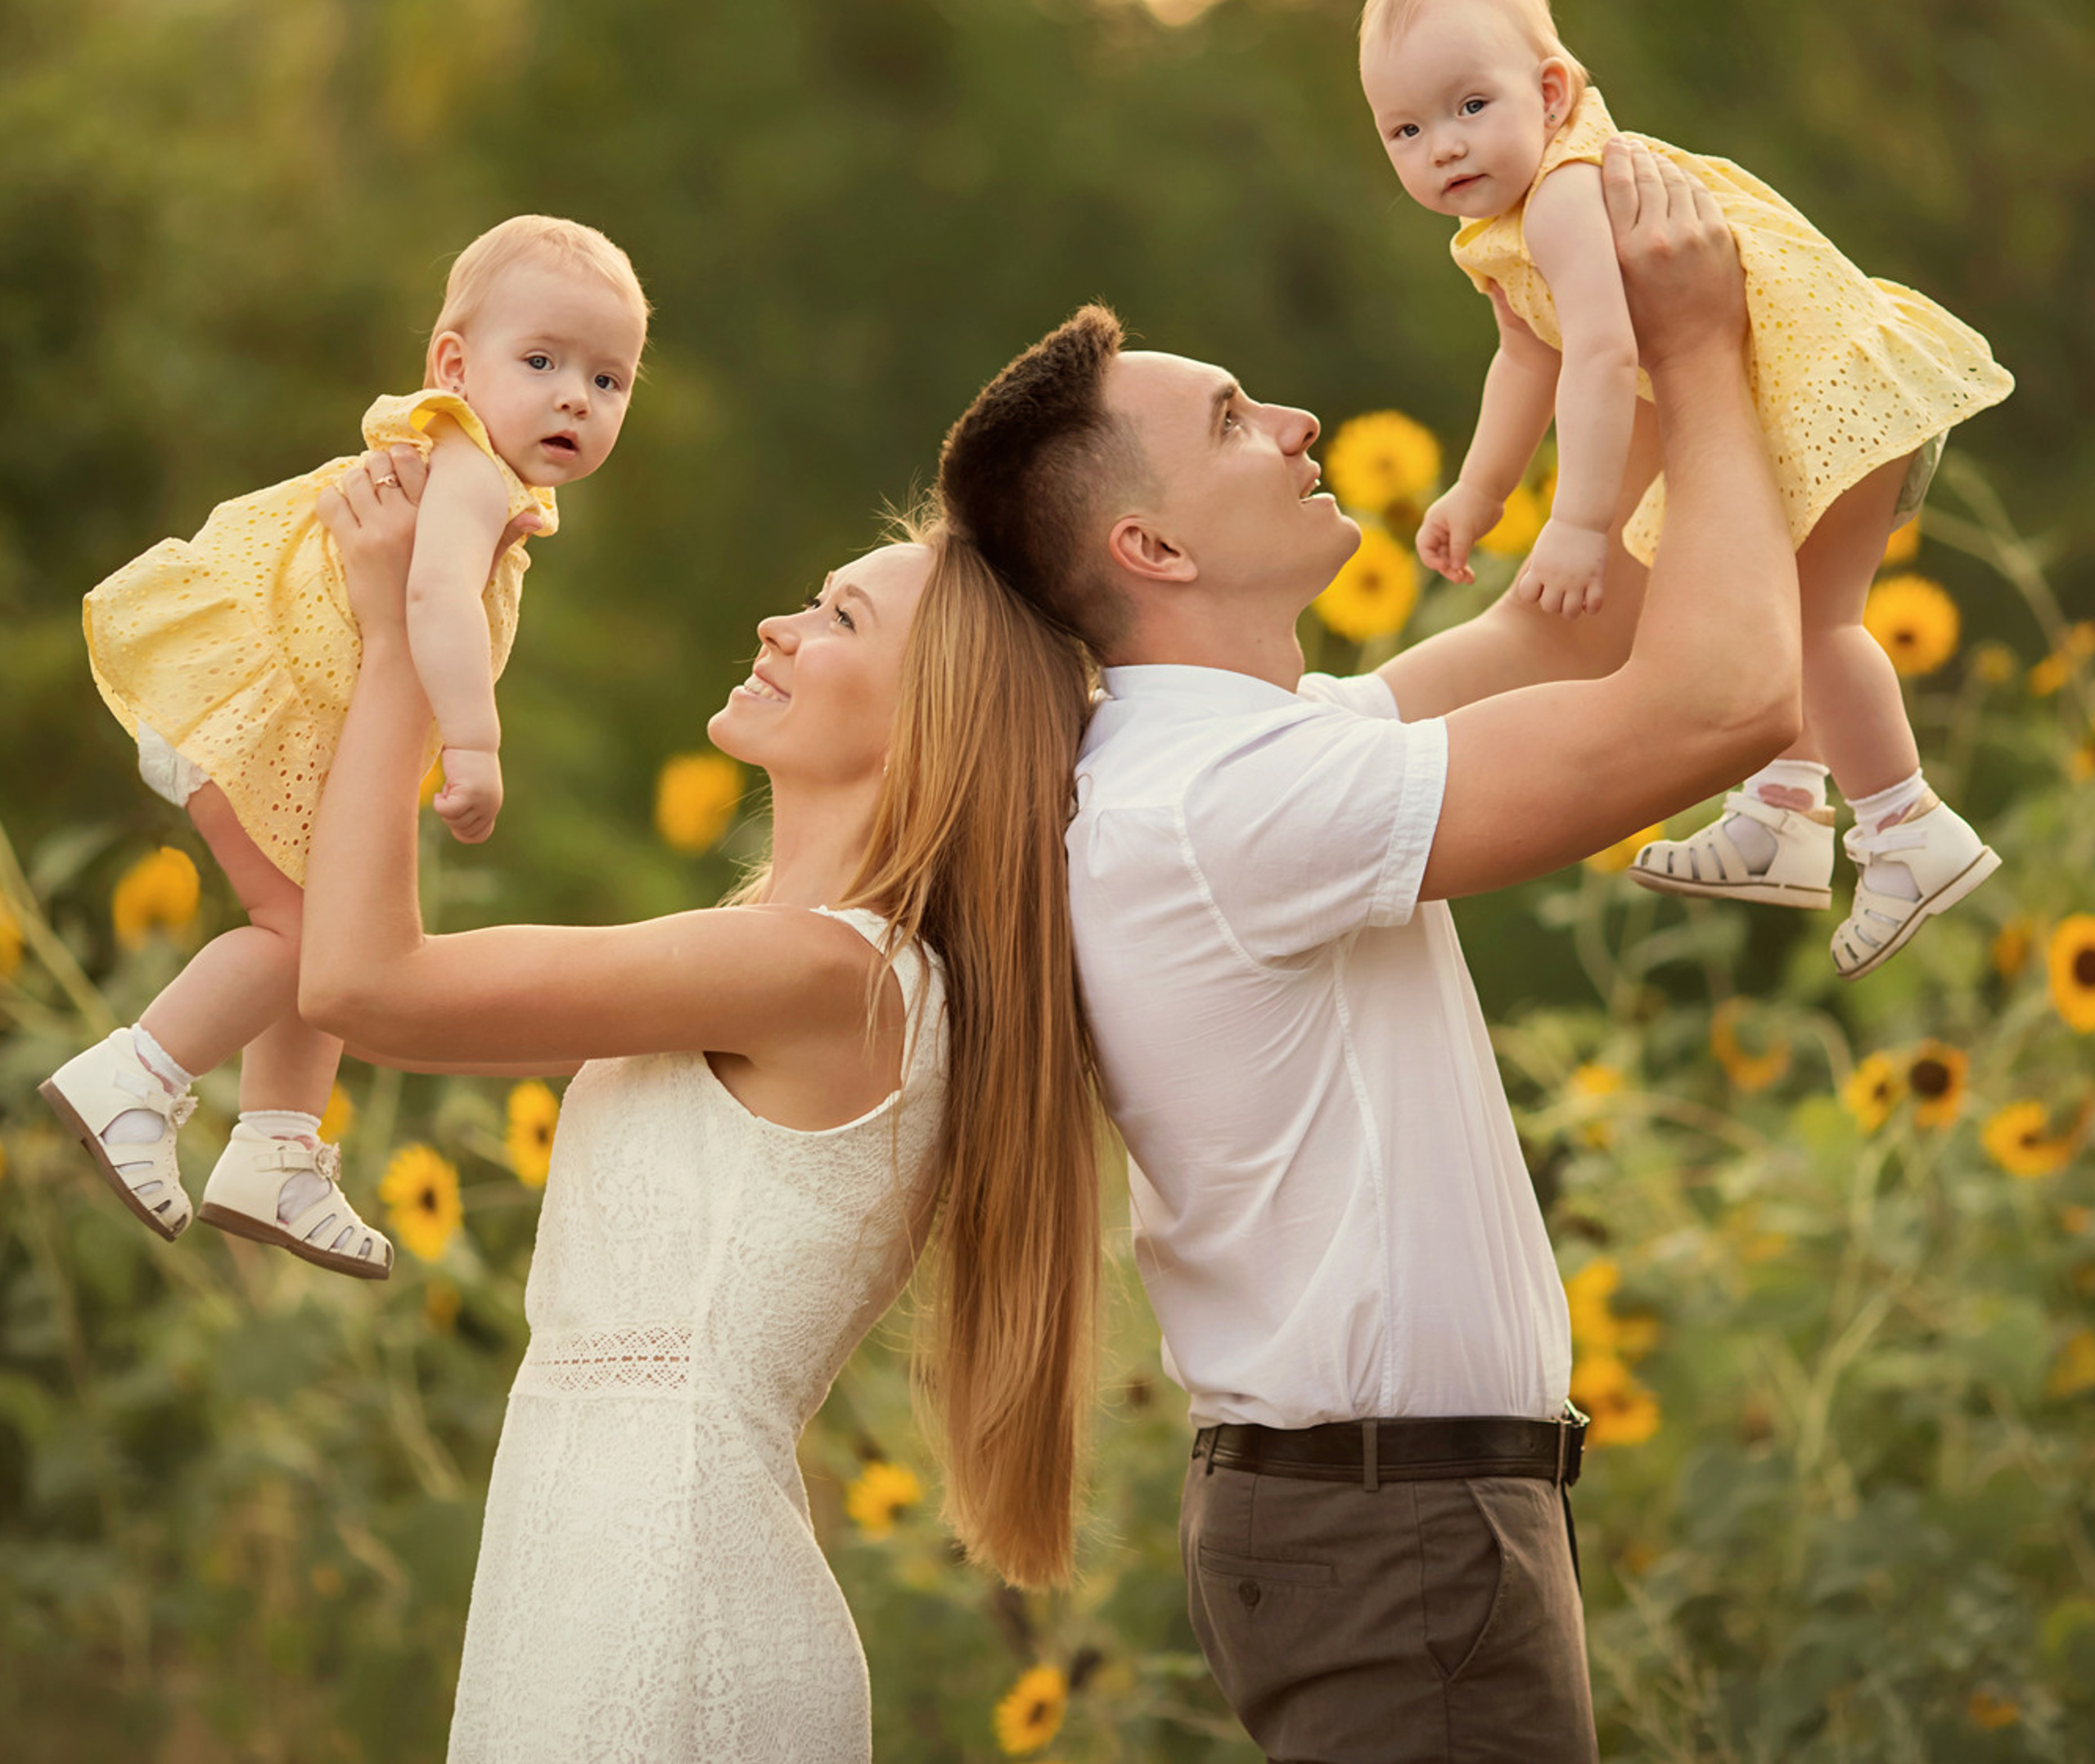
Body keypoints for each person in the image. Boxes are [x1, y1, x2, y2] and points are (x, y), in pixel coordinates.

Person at [936, 142, 1800, 1762]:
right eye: (1230, 420)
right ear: (1152, 551)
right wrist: (1686, 350)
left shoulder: (1237, 755)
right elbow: (1723, 701)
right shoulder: (1228, 800)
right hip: (1396, 1526)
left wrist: (1631, 349)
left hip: (1393, 1515)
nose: (1296, 424)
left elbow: (1574, 624)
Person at [295, 454, 1102, 1762]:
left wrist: (404, 643)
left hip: (665, 1599)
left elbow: (361, 984)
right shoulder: (783, 954)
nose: (780, 625)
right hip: (589, 1562)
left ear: (932, 722)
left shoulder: (826, 970)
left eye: (841, 618)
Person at [1358, 0, 2012, 978]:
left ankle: (1906, 829)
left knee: (1807, 621)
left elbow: (1607, 355)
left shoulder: (1568, 192)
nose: (1442, 146)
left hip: (1826, 393)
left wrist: (1576, 527)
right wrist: (1476, 493)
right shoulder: (1501, 229)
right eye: (1406, 129)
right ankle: (1783, 819)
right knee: (1767, 607)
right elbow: (1523, 359)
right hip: (1778, 405)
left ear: (1551, 90)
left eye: (1470, 106)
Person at [42, 215, 649, 1276]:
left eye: (609, 381)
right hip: (263, 708)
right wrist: (474, 742)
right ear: (455, 365)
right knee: (299, 933)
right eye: (544, 361)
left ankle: (277, 1148)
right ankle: (138, 1076)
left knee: (331, 932)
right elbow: (431, 599)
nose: (574, 398)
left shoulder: (488, 477)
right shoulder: (468, 466)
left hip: (298, 721)